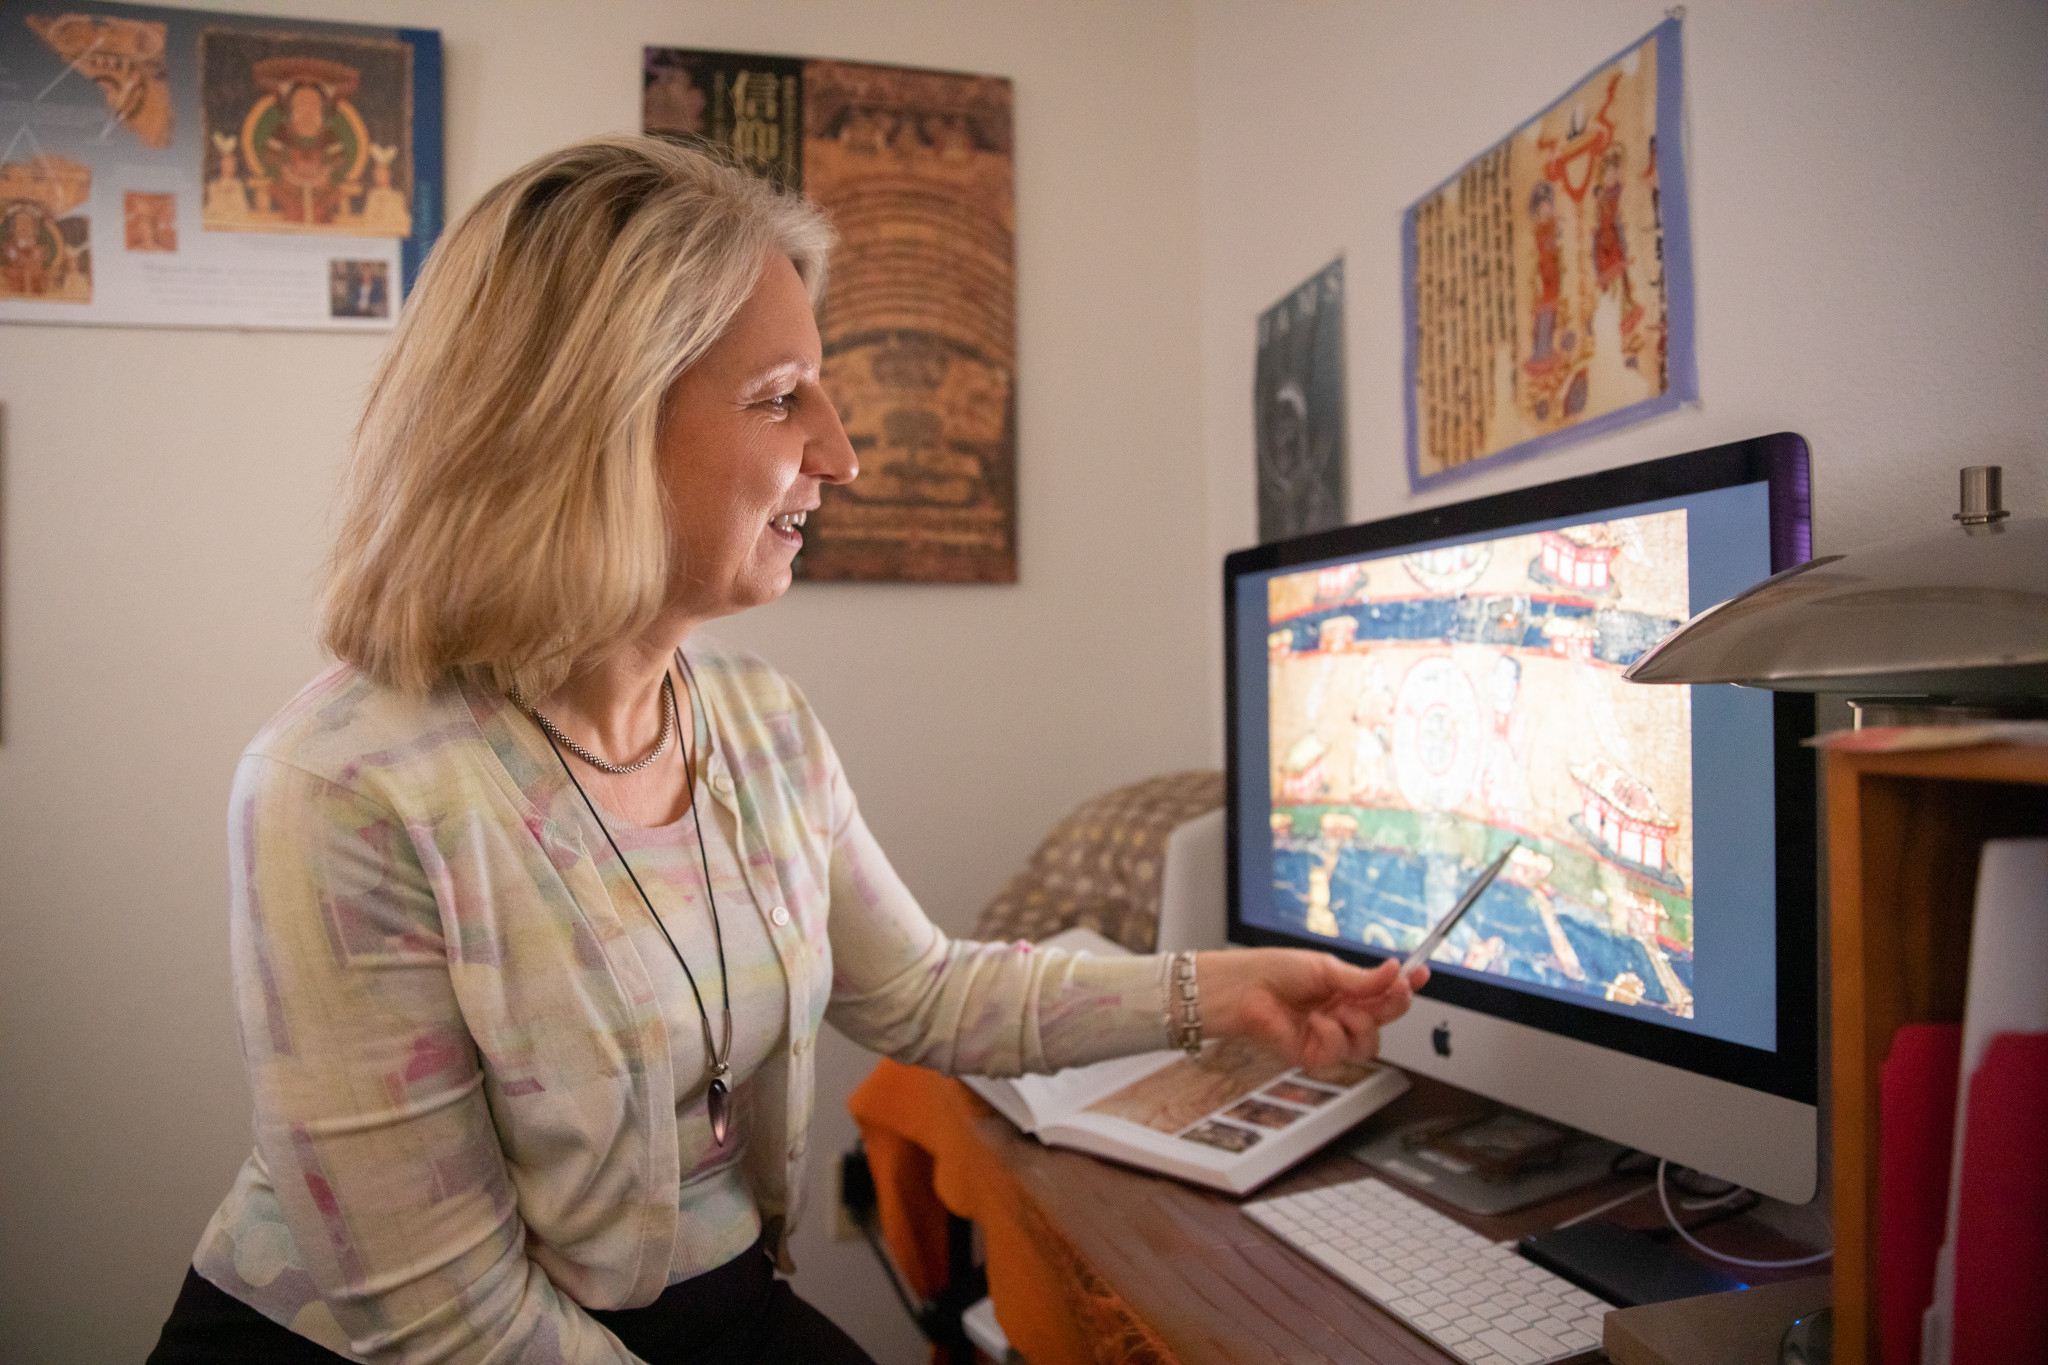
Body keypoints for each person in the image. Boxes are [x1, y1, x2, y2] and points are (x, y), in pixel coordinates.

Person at [147, 135, 1424, 1365]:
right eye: (777, 400)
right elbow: (439, 1320)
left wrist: (1217, 993)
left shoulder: (759, 723)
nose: (841, 454)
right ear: (579, 430)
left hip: (698, 1303)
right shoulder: (345, 788)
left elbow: (924, 993)